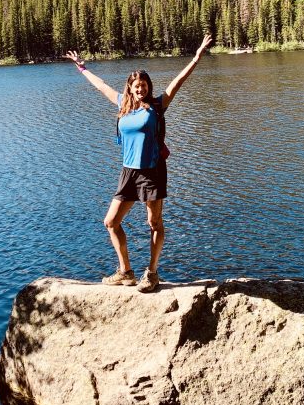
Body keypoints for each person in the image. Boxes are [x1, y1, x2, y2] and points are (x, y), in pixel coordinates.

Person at [65, 34, 213, 293]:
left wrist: (197, 57)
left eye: (144, 84)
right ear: (130, 88)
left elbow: (178, 81)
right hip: (129, 173)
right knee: (111, 222)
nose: (140, 88)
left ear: (148, 86)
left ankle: (152, 273)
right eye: (136, 85)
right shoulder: (122, 103)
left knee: (154, 223)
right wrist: (82, 67)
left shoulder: (157, 105)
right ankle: (126, 271)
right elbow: (100, 85)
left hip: (152, 172)